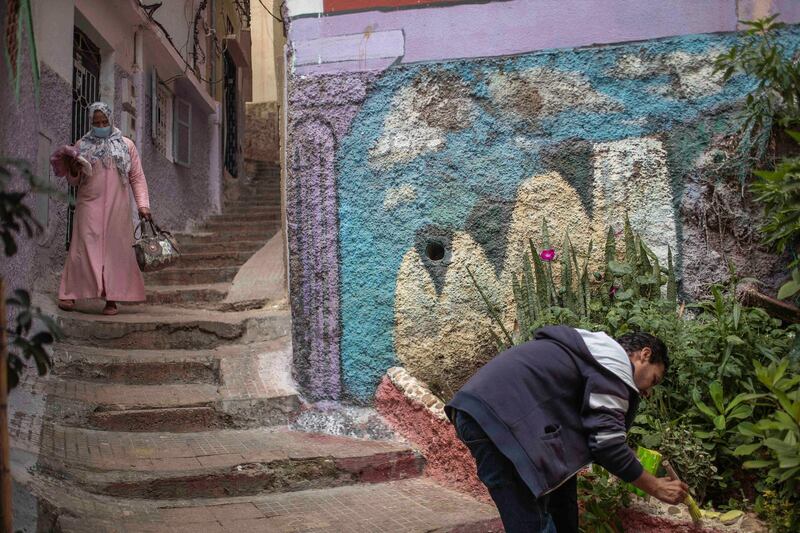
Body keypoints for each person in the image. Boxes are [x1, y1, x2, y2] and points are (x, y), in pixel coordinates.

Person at [445, 327, 688, 533]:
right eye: (653, 380)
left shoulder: (591, 356)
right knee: (530, 522)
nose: (647, 392)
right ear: (644, 355)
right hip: (498, 424)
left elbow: (598, 437)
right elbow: (607, 445)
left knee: (562, 502)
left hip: (498, 419)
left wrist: (630, 460)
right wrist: (655, 486)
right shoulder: (613, 365)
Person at [52, 102, 151, 316]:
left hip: (118, 207)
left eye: (104, 121)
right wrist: (74, 170)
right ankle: (69, 293)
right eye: (96, 122)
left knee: (115, 250)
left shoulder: (126, 145)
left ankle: (111, 299)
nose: (100, 125)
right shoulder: (82, 145)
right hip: (89, 204)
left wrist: (143, 205)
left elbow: (137, 177)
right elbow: (73, 181)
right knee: (83, 247)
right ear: (91, 122)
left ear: (111, 120)